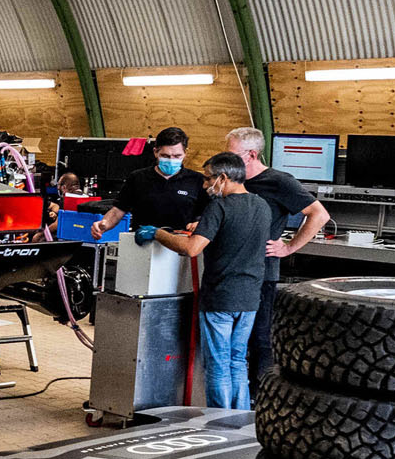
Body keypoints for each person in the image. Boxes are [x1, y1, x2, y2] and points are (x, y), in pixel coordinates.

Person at [143, 151, 273, 409]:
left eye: (208, 179)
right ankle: (240, 419)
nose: (204, 185)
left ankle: (218, 422)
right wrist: (205, 226)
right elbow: (236, 234)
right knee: (237, 361)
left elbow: (191, 248)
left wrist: (157, 233)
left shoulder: (219, 207)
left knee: (218, 364)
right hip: (249, 299)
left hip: (220, 299)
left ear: (222, 178)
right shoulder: (262, 206)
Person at [225, 126, 329, 389]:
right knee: (231, 341)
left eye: (232, 154)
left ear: (251, 154)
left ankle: (261, 397)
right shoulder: (233, 182)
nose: (227, 159)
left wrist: (289, 247)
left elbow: (319, 214)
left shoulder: (279, 182)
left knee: (260, 338)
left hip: (261, 274)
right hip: (230, 271)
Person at [94, 127, 208, 234]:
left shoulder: (197, 180)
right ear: (155, 152)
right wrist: (104, 224)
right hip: (142, 242)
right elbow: (118, 210)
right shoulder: (138, 178)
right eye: (165, 156)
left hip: (181, 242)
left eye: (177, 156)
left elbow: (207, 214)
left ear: (185, 153)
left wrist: (199, 224)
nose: (171, 160)